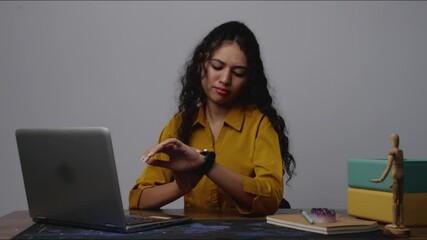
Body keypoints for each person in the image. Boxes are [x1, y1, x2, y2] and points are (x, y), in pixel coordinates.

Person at [129, 21, 295, 215]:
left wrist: (205, 165)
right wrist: (182, 187)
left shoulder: (260, 124)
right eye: (217, 66)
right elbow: (138, 200)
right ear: (202, 63)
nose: (225, 79)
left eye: (238, 73)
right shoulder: (180, 124)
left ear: (249, 78)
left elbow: (271, 199)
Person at [371, 133, 410, 236]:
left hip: (396, 177)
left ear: (391, 141)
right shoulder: (401, 151)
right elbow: (401, 165)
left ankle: (395, 224)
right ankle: (401, 223)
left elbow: (388, 167)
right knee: (401, 201)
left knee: (395, 201)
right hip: (402, 177)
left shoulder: (392, 151)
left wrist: (381, 178)